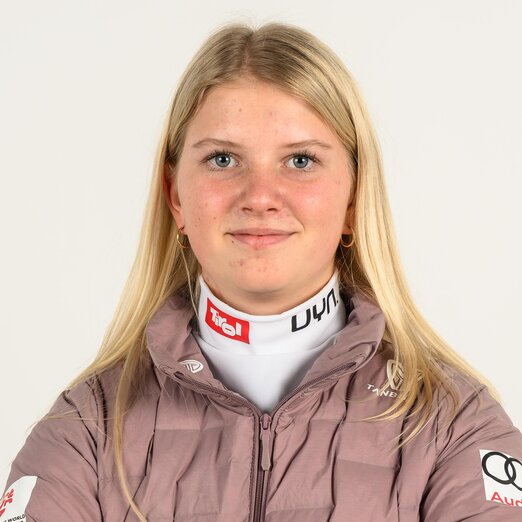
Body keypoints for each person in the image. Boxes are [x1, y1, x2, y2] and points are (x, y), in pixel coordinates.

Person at [1, 20, 521, 522]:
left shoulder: (454, 426)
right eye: (223, 160)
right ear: (175, 197)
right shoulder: (86, 431)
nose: (260, 197)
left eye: (301, 161)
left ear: (353, 199)